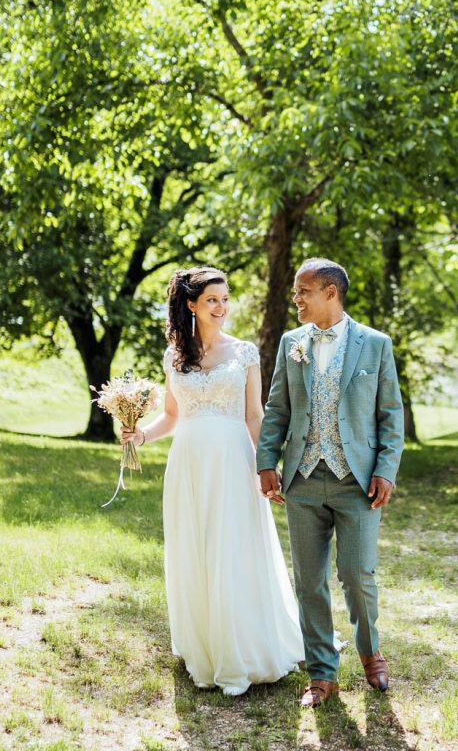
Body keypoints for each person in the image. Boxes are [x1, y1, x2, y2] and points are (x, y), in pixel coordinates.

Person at [124, 267, 302, 696]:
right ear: (191, 305)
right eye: (212, 301)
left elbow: (254, 415)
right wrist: (141, 434)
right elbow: (172, 414)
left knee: (232, 547)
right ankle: (203, 648)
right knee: (195, 549)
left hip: (231, 459)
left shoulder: (243, 352)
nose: (221, 308)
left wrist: (268, 465)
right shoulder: (173, 355)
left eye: (225, 300)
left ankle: (241, 650)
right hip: (188, 462)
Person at [257, 258, 405, 708]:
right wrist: (267, 460)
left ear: (330, 293)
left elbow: (390, 415)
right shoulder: (291, 344)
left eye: (304, 292)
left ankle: (369, 652)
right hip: (301, 478)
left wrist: (385, 470)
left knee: (357, 576)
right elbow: (277, 408)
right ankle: (321, 673)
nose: (296, 299)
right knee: (309, 581)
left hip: (356, 480)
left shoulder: (375, 346)